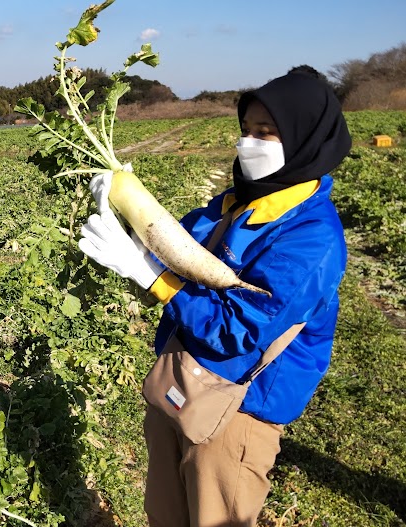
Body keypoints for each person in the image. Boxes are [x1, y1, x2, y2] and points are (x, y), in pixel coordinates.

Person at [78, 67, 351, 526]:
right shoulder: (233, 203)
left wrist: (153, 279)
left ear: (306, 139)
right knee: (165, 514)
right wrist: (124, 203)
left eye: (267, 133)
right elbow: (173, 245)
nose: (251, 143)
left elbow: (237, 330)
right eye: (246, 130)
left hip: (239, 408)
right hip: (182, 380)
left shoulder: (312, 238)